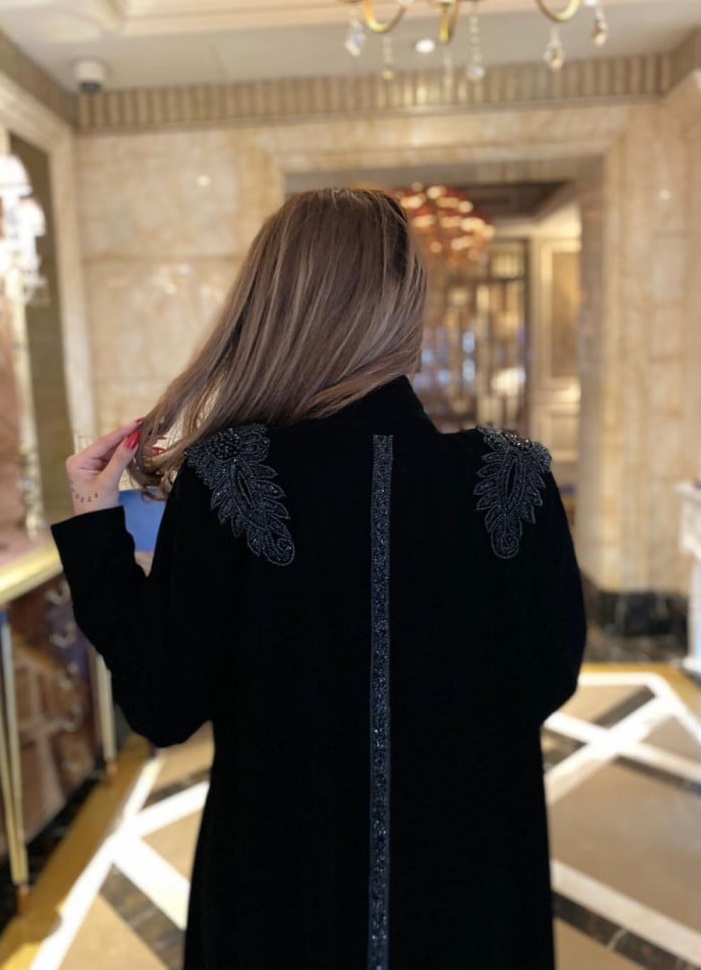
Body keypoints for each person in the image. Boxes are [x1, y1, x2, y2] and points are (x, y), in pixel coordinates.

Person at [51, 187, 587, 970]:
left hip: (281, 903)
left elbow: (163, 705)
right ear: (405, 305)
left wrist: (97, 531)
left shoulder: (228, 473)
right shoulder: (514, 475)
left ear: (273, 306)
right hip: (467, 893)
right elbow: (546, 677)